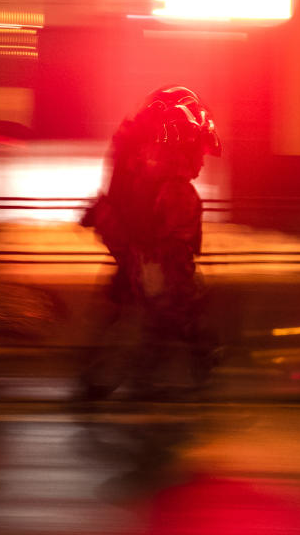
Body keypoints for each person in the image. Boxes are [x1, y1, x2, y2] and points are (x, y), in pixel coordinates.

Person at [78, 85, 222, 400]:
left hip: (134, 251)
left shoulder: (135, 160)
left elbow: (124, 210)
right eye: (197, 152)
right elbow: (171, 241)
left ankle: (99, 375)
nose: (200, 163)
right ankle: (145, 380)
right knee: (167, 315)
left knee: (127, 309)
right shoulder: (171, 187)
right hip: (151, 258)